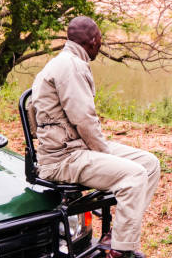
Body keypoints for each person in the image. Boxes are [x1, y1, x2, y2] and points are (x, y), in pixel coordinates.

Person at [31, 16, 160, 258]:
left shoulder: (63, 62)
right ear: (92, 41)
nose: (101, 44)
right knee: (134, 174)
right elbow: (84, 120)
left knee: (149, 164)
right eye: (100, 39)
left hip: (75, 146)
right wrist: (106, 153)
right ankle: (120, 251)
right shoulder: (70, 66)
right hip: (64, 158)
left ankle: (119, 234)